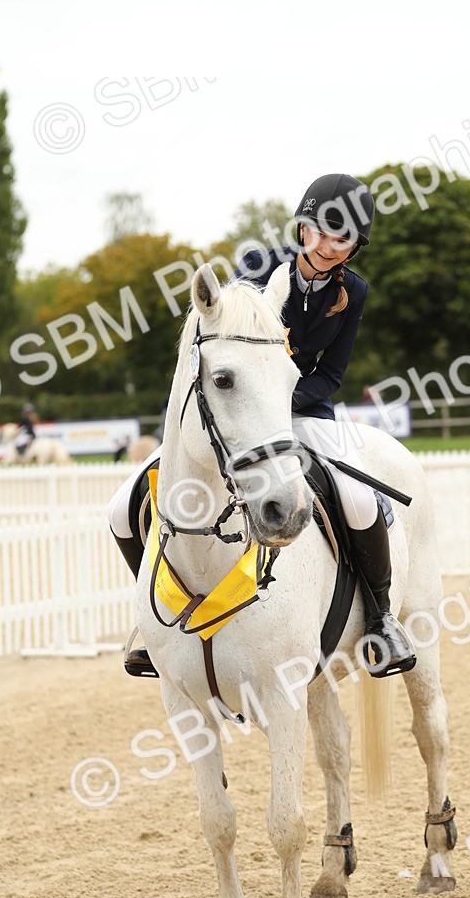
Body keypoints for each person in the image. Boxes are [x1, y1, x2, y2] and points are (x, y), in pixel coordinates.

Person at [107, 172, 415, 679]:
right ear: (303, 228)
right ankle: (153, 622)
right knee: (123, 509)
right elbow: (220, 337)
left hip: (304, 411)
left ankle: (381, 618)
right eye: (323, 231)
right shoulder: (257, 268)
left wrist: (281, 404)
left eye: (346, 240)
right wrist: (253, 404)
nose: (332, 247)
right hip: (235, 416)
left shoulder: (353, 293)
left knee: (359, 500)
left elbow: (332, 373)